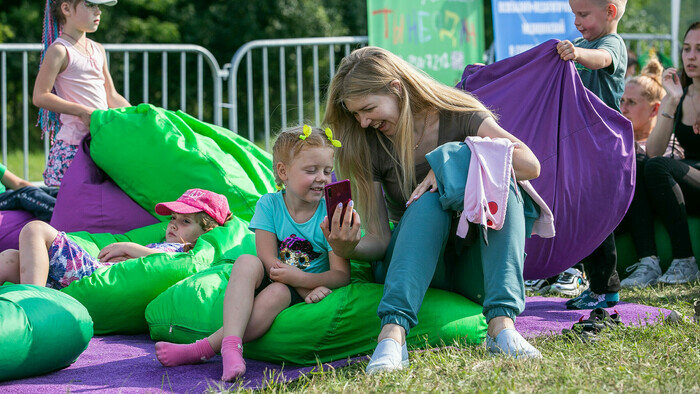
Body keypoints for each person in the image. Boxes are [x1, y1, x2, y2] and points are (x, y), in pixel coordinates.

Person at [323, 45, 542, 373]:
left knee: (503, 177)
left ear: (396, 88)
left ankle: (502, 329)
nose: (364, 121)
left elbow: (529, 163)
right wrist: (348, 246)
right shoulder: (368, 142)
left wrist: (449, 164)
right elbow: (381, 240)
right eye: (356, 115)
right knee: (428, 200)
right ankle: (393, 337)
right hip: (415, 268)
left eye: (368, 108)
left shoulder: (458, 113)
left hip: (474, 267)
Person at [154, 126, 351, 381]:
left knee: (278, 293)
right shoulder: (269, 204)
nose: (322, 178)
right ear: (283, 172)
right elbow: (268, 260)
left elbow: (341, 275)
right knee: (247, 260)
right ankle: (231, 348)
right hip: (283, 277)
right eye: (311, 170)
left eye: (327, 170)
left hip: (300, 287)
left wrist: (302, 283)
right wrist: (300, 284)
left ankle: (205, 348)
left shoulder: (330, 212)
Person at [0, 188, 230, 288]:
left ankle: (34, 301)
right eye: (173, 217)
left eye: (185, 221)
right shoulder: (163, 241)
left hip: (95, 274)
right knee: (11, 258)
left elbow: (169, 263)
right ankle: (35, 291)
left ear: (204, 231)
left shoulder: (186, 252)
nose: (173, 224)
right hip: (93, 271)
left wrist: (129, 247)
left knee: (36, 229)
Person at [556, 0, 628, 310]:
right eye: (574, 13)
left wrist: (578, 54)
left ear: (610, 12)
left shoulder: (609, 44)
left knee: (598, 222)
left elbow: (601, 59)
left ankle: (606, 289)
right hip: (582, 148)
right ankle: (593, 284)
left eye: (583, 14)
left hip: (603, 149)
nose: (576, 21)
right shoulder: (583, 43)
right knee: (583, 219)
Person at [33, 0, 130, 187]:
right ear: (67, 8)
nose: (98, 11)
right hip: (73, 147)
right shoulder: (59, 50)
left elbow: (111, 95)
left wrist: (138, 115)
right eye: (90, 5)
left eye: (98, 6)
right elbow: (40, 95)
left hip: (100, 144)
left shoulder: (98, 49)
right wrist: (81, 111)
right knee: (70, 211)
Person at [616, 58, 688, 288]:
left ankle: (650, 260)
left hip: (652, 212)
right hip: (616, 212)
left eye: (631, 102)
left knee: (638, 161)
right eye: (622, 101)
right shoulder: (615, 141)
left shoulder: (670, 143)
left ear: (655, 109)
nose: (623, 108)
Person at [640, 21, 700, 284]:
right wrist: (672, 100)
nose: (691, 56)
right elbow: (654, 151)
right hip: (689, 177)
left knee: (657, 166)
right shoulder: (680, 94)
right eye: (686, 49)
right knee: (641, 163)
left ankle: (685, 259)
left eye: (699, 49)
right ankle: (647, 262)